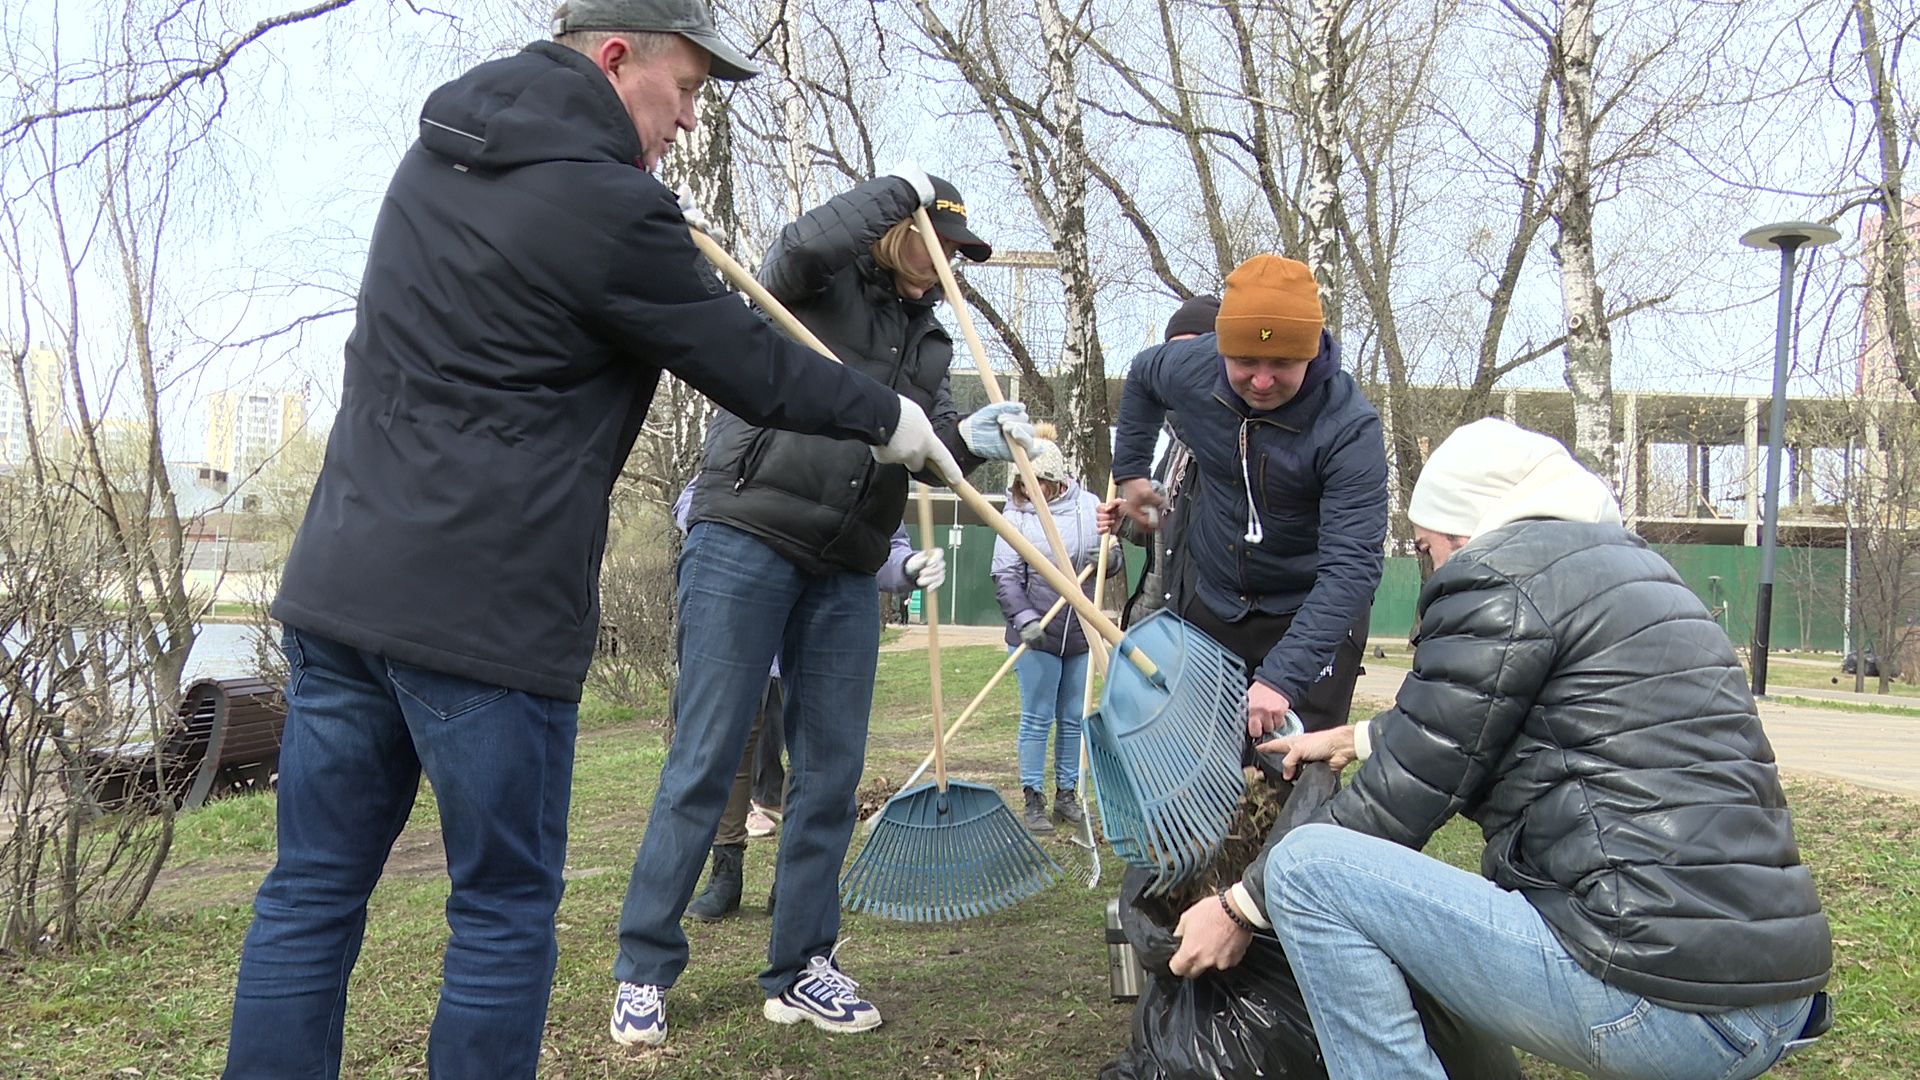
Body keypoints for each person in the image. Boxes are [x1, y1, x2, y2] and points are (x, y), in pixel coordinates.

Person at [221, 2, 969, 1076]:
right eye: (690, 89)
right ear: (618, 59)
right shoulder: (610, 207)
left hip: (340, 592)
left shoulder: (432, 161)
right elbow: (751, 363)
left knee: (310, 892)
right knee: (501, 909)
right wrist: (890, 417)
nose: (690, 120)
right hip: (486, 619)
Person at [1169, 418, 1833, 1080]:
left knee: (1306, 871)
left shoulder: (1497, 574)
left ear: (1463, 531)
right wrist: (1360, 737)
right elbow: (1519, 717)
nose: (1429, 566)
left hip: (1660, 1001)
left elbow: (1403, 801)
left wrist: (1238, 907)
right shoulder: (1641, 576)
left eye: (1427, 549)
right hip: (1764, 993)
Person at [608, 163, 1034, 1046]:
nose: (945, 263)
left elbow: (923, 451)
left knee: (831, 775)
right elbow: (792, 249)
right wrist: (897, 187)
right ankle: (644, 965)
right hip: (746, 533)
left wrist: (975, 441)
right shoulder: (821, 280)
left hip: (847, 561)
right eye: (936, 242)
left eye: (958, 253)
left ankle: (802, 965)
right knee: (707, 755)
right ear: (900, 228)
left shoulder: (932, 345)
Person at [1101, 255, 1387, 740]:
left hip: (1306, 607)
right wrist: (1130, 473)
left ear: (1312, 354)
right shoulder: (1192, 367)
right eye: (1245, 362)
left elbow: (1352, 567)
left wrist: (1283, 676)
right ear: (1222, 349)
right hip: (1214, 599)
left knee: (1291, 770)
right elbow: (1143, 377)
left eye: (1282, 364)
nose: (1261, 380)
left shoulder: (1349, 429)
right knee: (1201, 762)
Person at [669, 480, 937, 922]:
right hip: (743, 628)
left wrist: (908, 566)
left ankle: (794, 883)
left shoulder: (865, 453)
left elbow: (882, 547)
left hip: (821, 635)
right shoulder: (759, 423)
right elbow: (692, 501)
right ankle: (725, 875)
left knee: (814, 759)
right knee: (732, 752)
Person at [990, 428, 1118, 833]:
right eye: (1023, 484)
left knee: (1073, 717)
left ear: (1056, 478)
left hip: (1080, 632)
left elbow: (1107, 560)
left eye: (1038, 483)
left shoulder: (1089, 506)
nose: (1031, 492)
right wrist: (1024, 619)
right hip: (1037, 633)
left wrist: (1109, 558)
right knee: (1037, 717)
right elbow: (1006, 575)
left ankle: (1067, 796)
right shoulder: (1014, 516)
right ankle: (1033, 800)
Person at [1119, 295, 1217, 629]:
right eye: (1170, 352)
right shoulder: (1172, 450)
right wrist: (1127, 517)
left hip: (1205, 626)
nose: (1178, 364)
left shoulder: (1231, 442)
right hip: (1156, 619)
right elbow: (1162, 536)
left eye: (1191, 351)